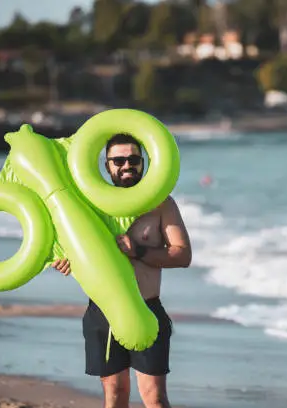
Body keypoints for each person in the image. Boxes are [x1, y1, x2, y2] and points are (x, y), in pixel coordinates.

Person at [52, 133, 192, 408]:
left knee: (155, 398)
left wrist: (138, 250)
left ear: (144, 162)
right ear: (106, 165)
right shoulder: (90, 205)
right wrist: (65, 260)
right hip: (103, 312)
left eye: (133, 159)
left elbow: (183, 254)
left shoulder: (161, 204)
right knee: (114, 395)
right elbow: (71, 246)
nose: (126, 165)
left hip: (147, 308)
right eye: (118, 160)